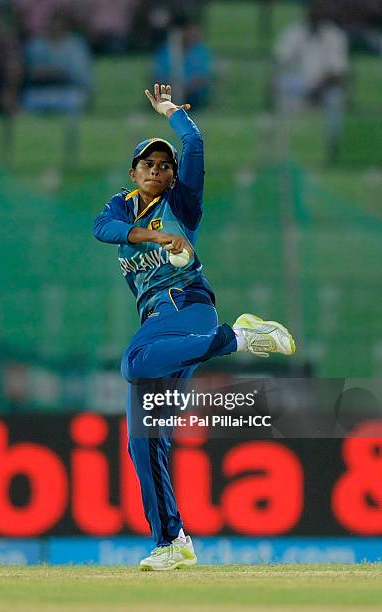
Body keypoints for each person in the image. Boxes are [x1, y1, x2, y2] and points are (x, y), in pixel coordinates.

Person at [93, 83, 296, 571]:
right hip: (160, 323)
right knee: (143, 438)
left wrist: (172, 116)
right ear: (133, 173)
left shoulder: (182, 204)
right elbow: (104, 230)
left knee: (132, 362)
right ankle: (173, 542)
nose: (159, 171)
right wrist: (152, 235)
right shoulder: (122, 207)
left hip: (189, 309)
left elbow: (196, 146)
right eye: (149, 165)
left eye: (165, 166)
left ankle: (236, 337)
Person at [274, 1, 348, 162]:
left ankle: (330, 149)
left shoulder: (335, 35)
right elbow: (281, 61)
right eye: (313, 8)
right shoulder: (293, 32)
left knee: (335, 99)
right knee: (281, 84)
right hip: (300, 86)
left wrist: (317, 90)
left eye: (320, 8)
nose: (316, 12)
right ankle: (285, 149)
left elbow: (337, 73)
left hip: (324, 87)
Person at [153, 18, 213, 110]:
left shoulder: (200, 52)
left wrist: (184, 89)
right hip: (168, 92)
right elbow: (158, 75)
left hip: (191, 94)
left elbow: (201, 77)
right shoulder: (165, 51)